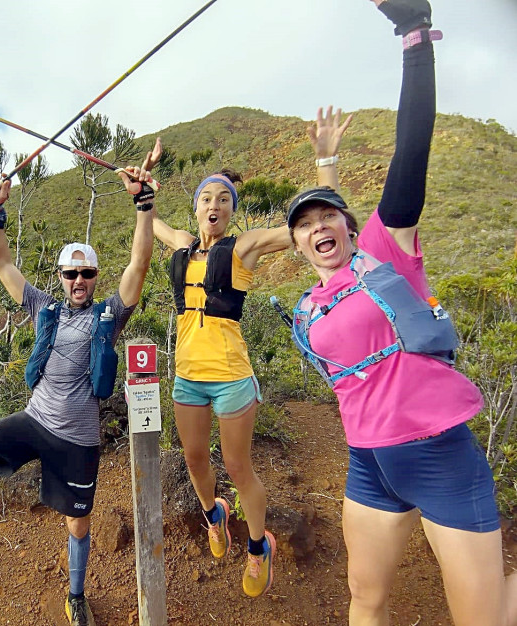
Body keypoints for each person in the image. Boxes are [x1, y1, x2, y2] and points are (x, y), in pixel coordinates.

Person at [285, 2, 517, 624]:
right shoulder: (310, 305)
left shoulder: (386, 254)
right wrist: (325, 169)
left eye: (329, 218)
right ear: (297, 244)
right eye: (305, 225)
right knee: (366, 600)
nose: (319, 228)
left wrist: (414, 35)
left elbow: (411, 151)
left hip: (441, 455)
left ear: (350, 227)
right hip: (370, 464)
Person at [0, 147, 158, 626]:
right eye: (70, 273)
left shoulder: (109, 315)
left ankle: (76, 596)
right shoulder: (41, 306)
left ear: (95, 277)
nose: (78, 280)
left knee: (78, 523)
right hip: (33, 421)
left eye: (86, 273)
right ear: (61, 277)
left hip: (78, 437)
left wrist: (143, 204)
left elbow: (139, 262)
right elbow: (1, 262)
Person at [150, 110, 349, 596]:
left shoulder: (245, 247)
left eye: (223, 199)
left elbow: (314, 226)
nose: (214, 205)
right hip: (188, 377)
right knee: (195, 459)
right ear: (196, 207)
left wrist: (325, 162)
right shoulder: (183, 245)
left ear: (231, 210)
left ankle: (260, 546)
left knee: (238, 467)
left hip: (232, 377)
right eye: (206, 198)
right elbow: (148, 219)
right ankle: (213, 514)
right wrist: (143, 183)